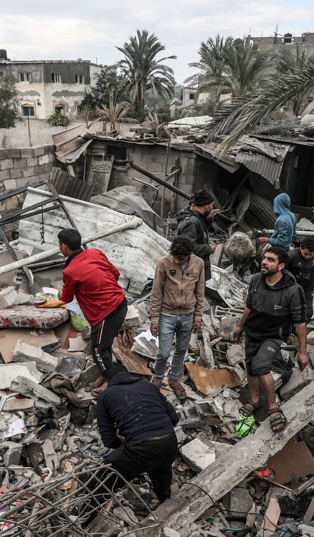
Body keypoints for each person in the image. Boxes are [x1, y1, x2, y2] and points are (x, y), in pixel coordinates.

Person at [38, 228, 127, 393]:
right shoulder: (95, 252)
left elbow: (66, 298)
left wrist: (48, 301)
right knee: (104, 346)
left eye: (59, 244)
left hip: (106, 312)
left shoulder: (70, 271)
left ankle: (112, 382)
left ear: (64, 246)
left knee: (98, 349)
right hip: (121, 302)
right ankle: (106, 374)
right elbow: (115, 274)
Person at [231, 246, 308, 433]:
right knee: (250, 367)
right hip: (253, 333)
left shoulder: (293, 290)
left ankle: (273, 407)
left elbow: (300, 323)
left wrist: (303, 352)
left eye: (270, 259)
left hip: (274, 337)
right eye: (264, 258)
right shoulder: (256, 280)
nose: (264, 262)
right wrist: (240, 326)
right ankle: (255, 400)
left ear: (281, 265)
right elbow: (249, 306)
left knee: (260, 365)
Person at [94, 365, 180, 507]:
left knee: (105, 478)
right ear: (129, 375)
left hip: (142, 450)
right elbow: (175, 420)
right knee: (161, 466)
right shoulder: (149, 386)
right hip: (170, 444)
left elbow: (109, 440)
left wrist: (123, 442)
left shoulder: (105, 396)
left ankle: (81, 515)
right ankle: (165, 500)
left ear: (108, 382)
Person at [149, 235, 205, 399]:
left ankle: (174, 378)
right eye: (175, 258)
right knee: (164, 353)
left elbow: (200, 292)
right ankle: (158, 379)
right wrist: (154, 319)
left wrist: (198, 316)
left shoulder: (198, 264)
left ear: (190, 254)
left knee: (181, 350)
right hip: (167, 315)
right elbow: (156, 292)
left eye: (182, 258)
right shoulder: (163, 263)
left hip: (188, 315)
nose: (178, 261)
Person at [174, 189, 217, 281]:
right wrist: (208, 249)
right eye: (211, 205)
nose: (212, 208)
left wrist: (207, 220)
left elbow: (200, 233)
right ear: (205, 205)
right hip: (191, 273)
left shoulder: (197, 219)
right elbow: (189, 248)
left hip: (196, 271)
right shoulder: (191, 223)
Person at [286, 237, 314, 323]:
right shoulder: (291, 256)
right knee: (288, 310)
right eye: (305, 254)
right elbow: (282, 271)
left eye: (310, 255)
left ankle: (299, 332)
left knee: (308, 311)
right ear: (301, 247)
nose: (307, 257)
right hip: (291, 287)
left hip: (307, 286)